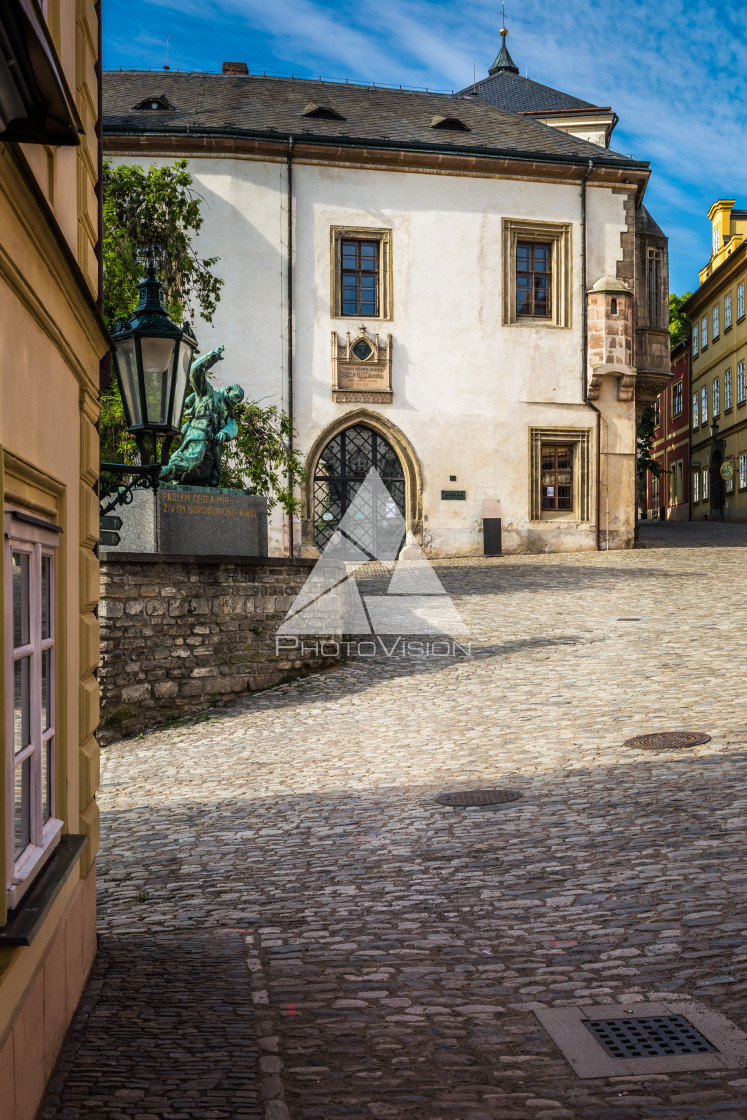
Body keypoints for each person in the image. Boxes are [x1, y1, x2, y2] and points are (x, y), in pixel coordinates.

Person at [160, 346, 245, 487]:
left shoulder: (227, 410)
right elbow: (195, 371)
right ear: (228, 389)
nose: (235, 402)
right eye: (236, 397)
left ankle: (173, 479)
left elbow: (233, 426)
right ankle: (160, 474)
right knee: (190, 459)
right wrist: (213, 357)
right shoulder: (208, 393)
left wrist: (224, 433)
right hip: (199, 433)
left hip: (211, 444)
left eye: (238, 400)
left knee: (201, 472)